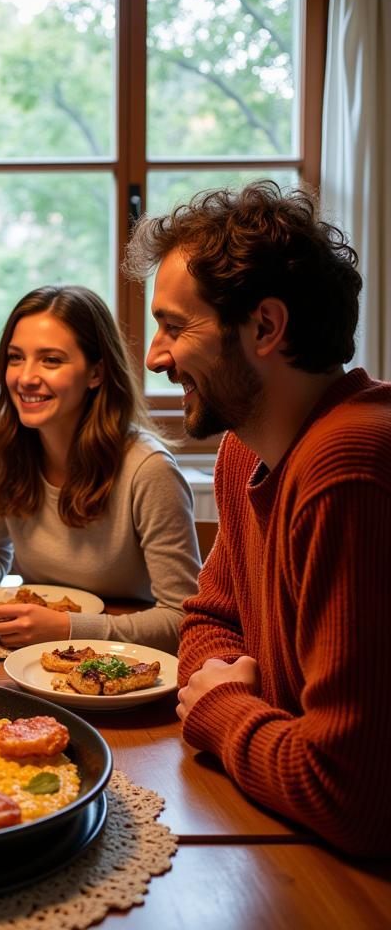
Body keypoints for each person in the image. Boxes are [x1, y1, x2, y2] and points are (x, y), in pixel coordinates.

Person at [125, 180, 391, 856]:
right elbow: (211, 620)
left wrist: (221, 709)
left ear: (266, 327)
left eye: (175, 326)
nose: (155, 356)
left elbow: (348, 794)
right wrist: (244, 699)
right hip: (285, 828)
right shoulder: (244, 451)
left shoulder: (349, 466)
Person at [0, 285, 200, 654]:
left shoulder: (149, 470)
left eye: (51, 360)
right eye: (16, 357)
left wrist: (70, 628)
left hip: (126, 661)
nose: (26, 377)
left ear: (96, 373)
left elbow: (182, 621)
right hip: (30, 653)